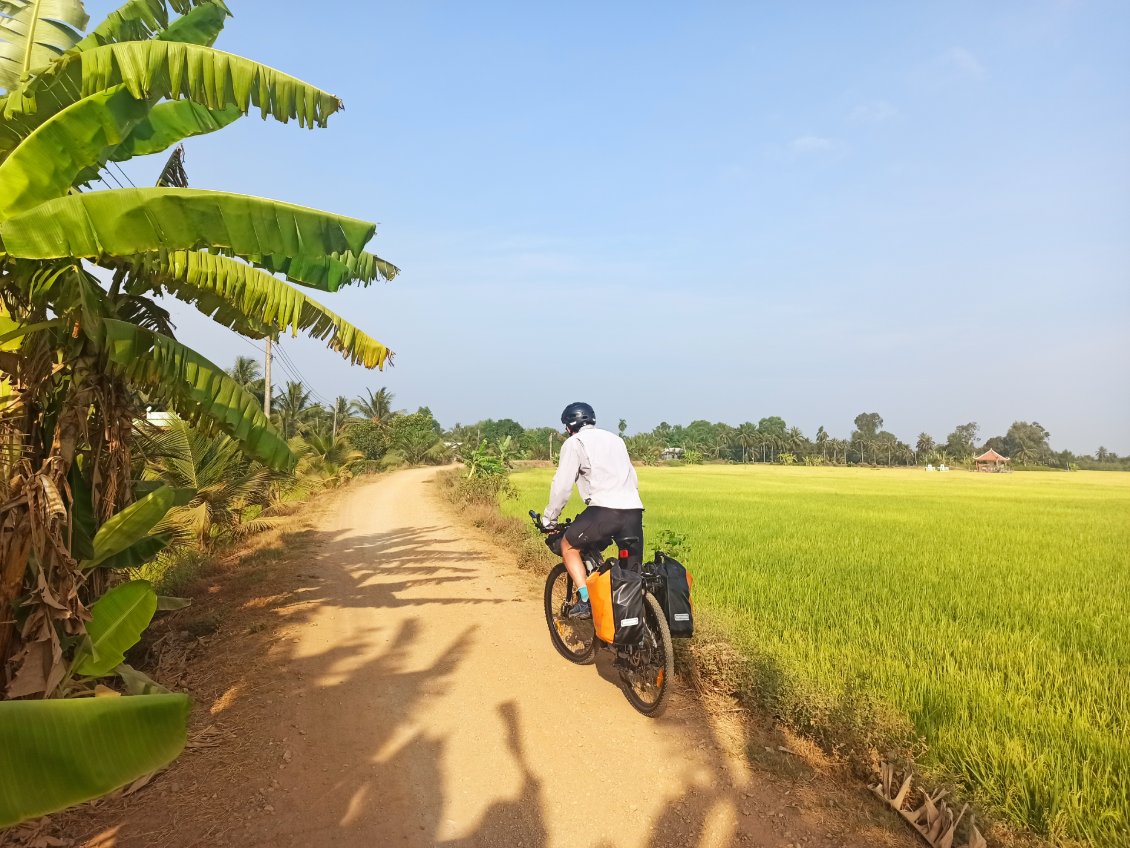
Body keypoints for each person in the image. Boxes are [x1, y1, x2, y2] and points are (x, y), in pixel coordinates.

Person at [541, 402, 644, 619]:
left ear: (569, 426)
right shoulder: (617, 440)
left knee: (569, 545)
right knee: (631, 576)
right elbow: (632, 478)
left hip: (604, 512)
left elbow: (561, 486)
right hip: (633, 511)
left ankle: (586, 600)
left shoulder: (575, 442)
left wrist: (549, 520)